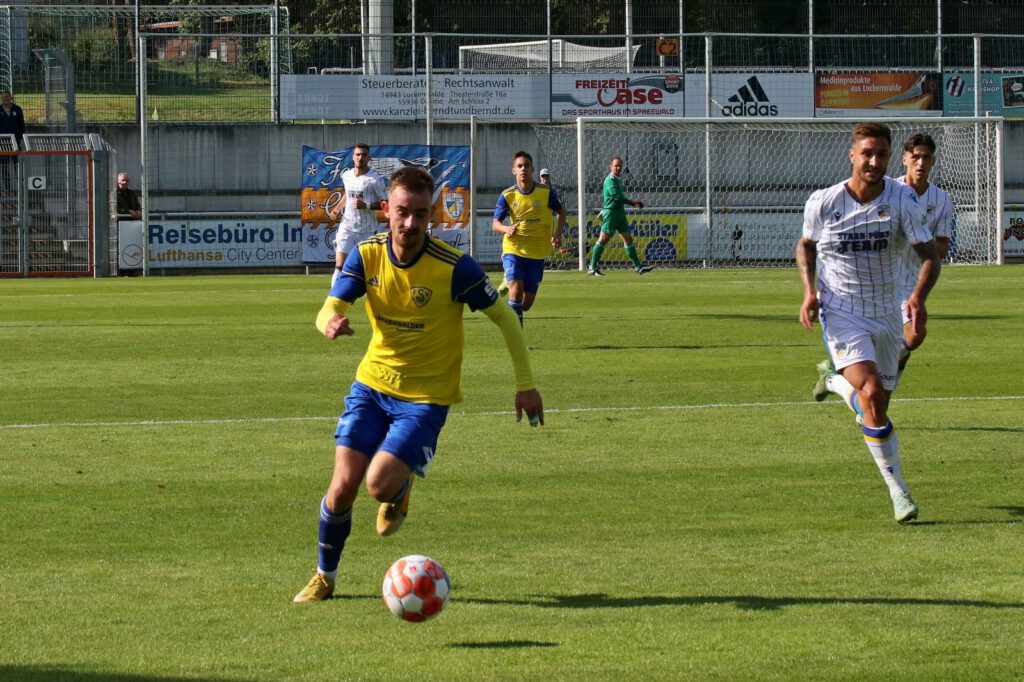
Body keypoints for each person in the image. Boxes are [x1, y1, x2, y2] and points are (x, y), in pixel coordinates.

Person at [294, 166, 544, 603]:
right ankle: (324, 576)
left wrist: (525, 384)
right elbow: (328, 306)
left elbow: (505, 318)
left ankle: (401, 485)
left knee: (378, 485)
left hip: (426, 398)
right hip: (372, 386)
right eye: (403, 213)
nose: (411, 224)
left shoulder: (454, 267)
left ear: (432, 217)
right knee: (342, 488)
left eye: (422, 215)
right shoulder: (366, 254)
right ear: (385, 210)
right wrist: (328, 322)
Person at [797, 122, 940, 524]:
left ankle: (833, 381)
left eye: (881, 154)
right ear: (852, 154)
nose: (874, 161)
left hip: (887, 311)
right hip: (840, 310)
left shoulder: (902, 200)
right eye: (867, 153)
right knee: (873, 392)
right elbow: (806, 247)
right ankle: (899, 492)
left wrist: (918, 299)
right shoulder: (824, 202)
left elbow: (929, 255)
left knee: (872, 408)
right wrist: (810, 292)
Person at [814, 133, 954, 419]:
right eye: (915, 157)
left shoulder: (941, 199)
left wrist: (917, 236)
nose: (920, 163)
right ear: (903, 160)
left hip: (912, 280)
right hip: (880, 281)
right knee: (877, 400)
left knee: (912, 338)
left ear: (933, 162)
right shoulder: (890, 191)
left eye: (926, 157)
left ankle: (842, 379)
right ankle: (838, 380)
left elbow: (940, 247)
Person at [491, 151, 567, 324]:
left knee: (526, 304)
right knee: (516, 292)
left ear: (532, 169)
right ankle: (517, 341)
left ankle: (505, 283)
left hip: (537, 253)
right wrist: (506, 228)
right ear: (514, 171)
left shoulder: (546, 192)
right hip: (514, 249)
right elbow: (495, 223)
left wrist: (557, 234)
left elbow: (561, 212)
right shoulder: (507, 195)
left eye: (526, 165)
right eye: (519, 166)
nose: (523, 168)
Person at [328, 143, 388, 285]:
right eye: (357, 154)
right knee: (339, 266)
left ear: (369, 158)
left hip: (367, 229)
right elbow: (347, 195)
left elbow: (387, 204)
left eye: (364, 155)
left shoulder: (375, 179)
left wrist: (365, 205)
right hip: (347, 226)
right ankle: (335, 300)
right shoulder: (346, 175)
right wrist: (336, 209)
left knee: (370, 271)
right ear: (353, 157)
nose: (360, 157)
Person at [588, 156, 654, 276]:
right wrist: (633, 202)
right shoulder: (610, 180)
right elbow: (616, 198)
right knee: (603, 239)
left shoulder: (618, 180)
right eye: (616, 166)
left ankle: (638, 267)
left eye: (620, 166)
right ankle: (592, 267)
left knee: (628, 238)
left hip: (620, 214)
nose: (618, 168)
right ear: (611, 167)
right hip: (611, 213)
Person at [0, 91, 25, 192]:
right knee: (5, 166)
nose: (5, 98)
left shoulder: (17, 109)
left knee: (17, 166)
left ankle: (21, 188)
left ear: (11, 98)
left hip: (15, 142)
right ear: (1, 98)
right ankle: (7, 189)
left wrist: (21, 139)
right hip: (3, 143)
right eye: (3, 97)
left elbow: (22, 125)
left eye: (7, 97)